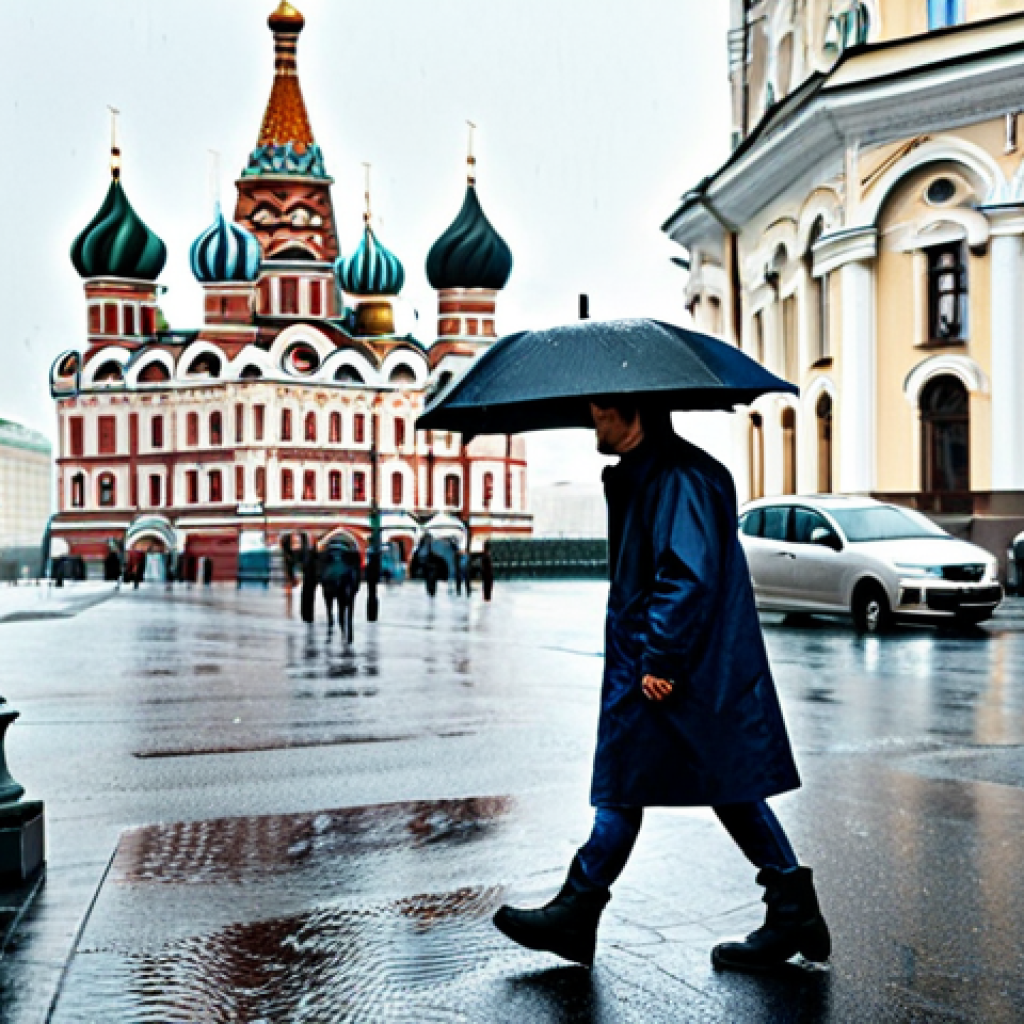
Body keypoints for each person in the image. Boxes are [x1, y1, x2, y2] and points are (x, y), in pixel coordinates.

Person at [493, 401, 829, 972]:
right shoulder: (656, 473)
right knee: (717, 783)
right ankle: (791, 910)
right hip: (666, 660)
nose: (592, 422)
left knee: (644, 782)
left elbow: (687, 571)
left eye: (600, 412)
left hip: (671, 666)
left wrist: (661, 656)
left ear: (633, 414)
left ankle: (578, 909)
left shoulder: (677, 476)